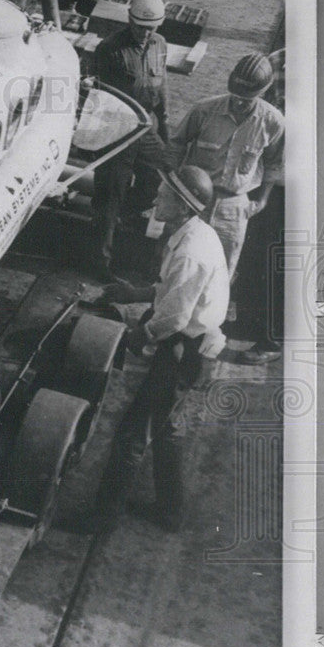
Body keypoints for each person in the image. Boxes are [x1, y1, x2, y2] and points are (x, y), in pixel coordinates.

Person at [93, 166, 229, 532]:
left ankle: (100, 521)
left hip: (184, 350)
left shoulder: (190, 251)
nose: (155, 199)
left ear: (183, 206)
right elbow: (173, 292)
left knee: (132, 435)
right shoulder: (195, 233)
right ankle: (171, 512)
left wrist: (134, 338)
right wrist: (135, 293)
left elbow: (175, 318)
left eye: (163, 195)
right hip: (195, 347)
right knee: (168, 428)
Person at [167, 53, 285, 282]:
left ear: (262, 93)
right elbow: (177, 144)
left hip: (235, 206)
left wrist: (262, 200)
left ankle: (209, 315)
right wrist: (173, 188)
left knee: (220, 268)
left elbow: (274, 163)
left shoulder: (272, 121)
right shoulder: (204, 110)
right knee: (178, 261)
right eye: (236, 95)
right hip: (194, 200)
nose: (239, 102)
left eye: (247, 98)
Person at [89, 0, 174, 282]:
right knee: (110, 196)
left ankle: (118, 217)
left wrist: (164, 130)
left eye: (150, 28)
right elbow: (97, 97)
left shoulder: (160, 45)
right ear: (129, 20)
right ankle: (100, 263)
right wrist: (97, 142)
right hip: (117, 130)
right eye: (140, 26)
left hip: (146, 128)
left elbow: (161, 88)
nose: (144, 33)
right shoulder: (109, 49)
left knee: (159, 179)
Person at [234, 48, 285, 364]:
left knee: (281, 263)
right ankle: (247, 321)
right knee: (251, 254)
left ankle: (272, 339)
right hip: (266, 179)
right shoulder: (278, 62)